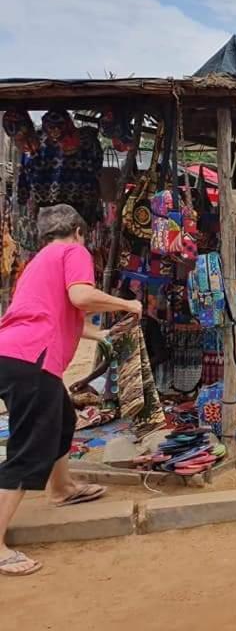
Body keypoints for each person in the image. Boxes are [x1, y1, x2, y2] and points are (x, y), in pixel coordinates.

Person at [0, 205, 142, 577]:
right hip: (33, 358)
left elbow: (60, 314)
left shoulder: (37, 264)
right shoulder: (73, 252)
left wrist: (104, 334)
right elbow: (81, 297)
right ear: (79, 231)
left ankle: (61, 489)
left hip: (13, 353)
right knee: (29, 449)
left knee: (62, 418)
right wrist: (128, 303)